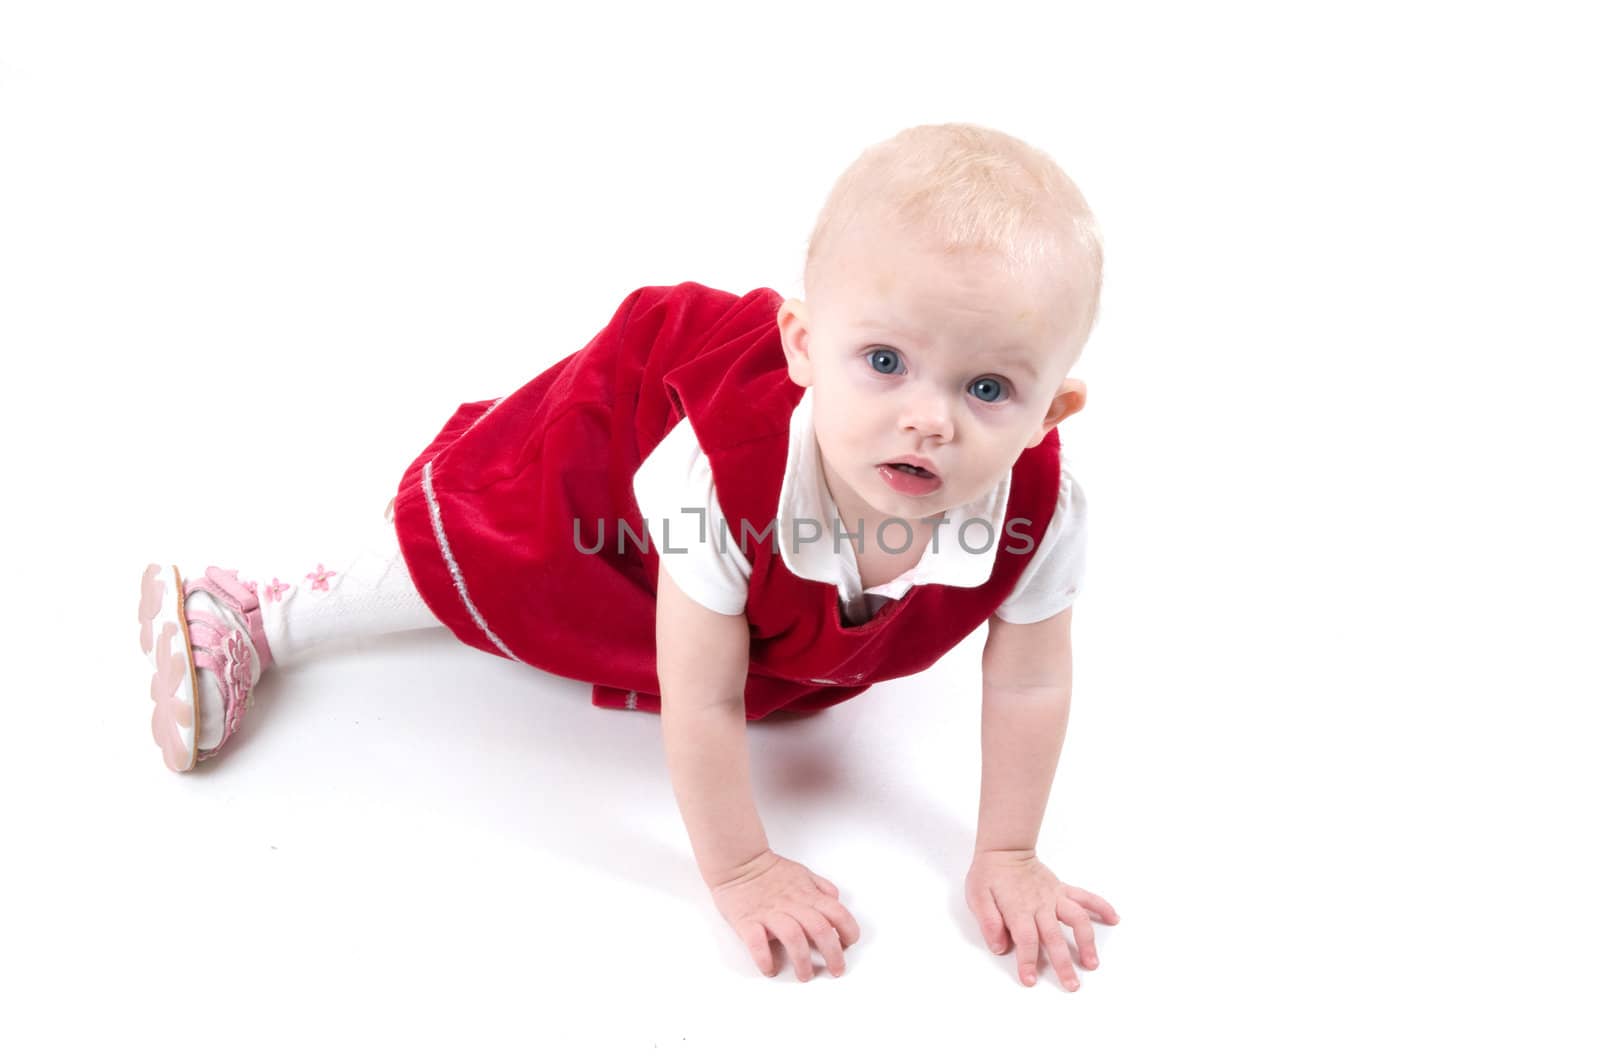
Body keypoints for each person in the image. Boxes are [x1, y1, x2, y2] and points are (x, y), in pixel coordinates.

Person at [136, 122, 1121, 989]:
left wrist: (1010, 851)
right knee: (510, 551)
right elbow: (702, 693)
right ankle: (254, 609)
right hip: (620, 451)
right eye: (884, 362)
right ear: (804, 346)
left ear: (1053, 410)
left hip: (768, 568)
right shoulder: (718, 477)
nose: (926, 418)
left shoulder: (1040, 506)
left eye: (988, 387)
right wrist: (738, 868)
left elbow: (1029, 682)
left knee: (748, 623)